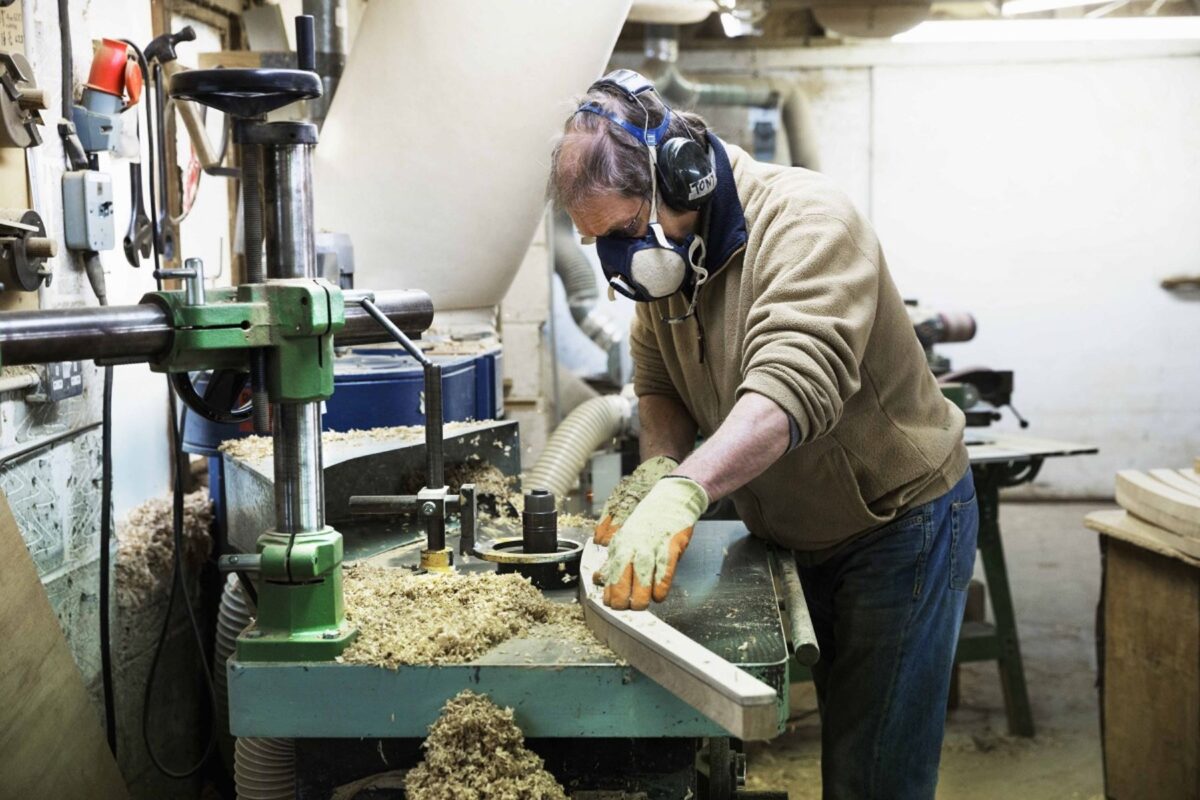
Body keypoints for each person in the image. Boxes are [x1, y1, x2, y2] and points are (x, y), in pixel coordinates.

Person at [548, 69, 979, 799]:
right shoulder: (667, 261)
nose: (615, 262)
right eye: (596, 242)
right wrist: (658, 466)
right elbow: (658, 382)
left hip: (896, 522)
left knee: (874, 769)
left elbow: (790, 389)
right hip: (797, 523)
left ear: (679, 178)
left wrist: (686, 490)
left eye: (620, 233)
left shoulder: (809, 222)